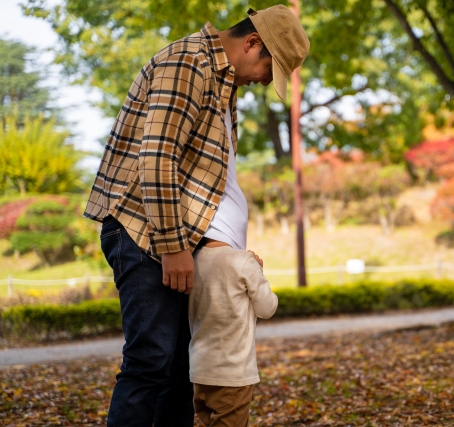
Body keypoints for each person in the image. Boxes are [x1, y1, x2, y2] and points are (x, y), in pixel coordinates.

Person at [83, 5, 310, 426]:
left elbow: (200, 178)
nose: (264, 81)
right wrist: (173, 248)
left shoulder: (222, 82)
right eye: (269, 68)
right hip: (143, 235)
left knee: (177, 370)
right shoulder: (189, 63)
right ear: (252, 42)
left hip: (176, 240)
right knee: (150, 361)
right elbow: (156, 157)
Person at [189, 242, 278, 426]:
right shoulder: (243, 260)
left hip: (199, 372)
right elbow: (267, 308)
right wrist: (258, 271)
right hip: (232, 373)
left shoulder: (193, 259)